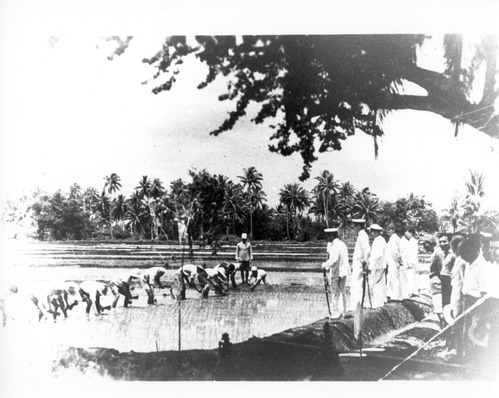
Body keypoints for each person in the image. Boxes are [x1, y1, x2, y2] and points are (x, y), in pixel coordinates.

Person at [321, 227, 350, 319]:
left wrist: (324, 265)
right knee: (341, 292)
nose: (327, 238)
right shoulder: (342, 244)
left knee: (335, 293)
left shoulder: (335, 246)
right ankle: (343, 312)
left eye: (328, 236)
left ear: (332, 235)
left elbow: (333, 260)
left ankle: (336, 313)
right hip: (343, 272)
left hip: (337, 273)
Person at [430, 233, 455, 327]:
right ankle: (444, 329)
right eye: (440, 242)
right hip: (440, 283)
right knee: (441, 308)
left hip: (451, 283)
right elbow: (433, 269)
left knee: (450, 307)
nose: (442, 243)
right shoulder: (437, 254)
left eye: (444, 241)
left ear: (449, 242)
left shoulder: (454, 254)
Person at [349, 218, 370, 311]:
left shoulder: (363, 236)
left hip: (359, 264)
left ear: (358, 226)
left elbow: (367, 250)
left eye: (354, 226)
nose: (354, 228)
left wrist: (364, 260)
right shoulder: (361, 235)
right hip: (358, 263)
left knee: (356, 284)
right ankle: (358, 303)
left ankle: (355, 305)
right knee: (357, 284)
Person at [368, 224, 387, 308]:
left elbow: (378, 254)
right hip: (380, 265)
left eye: (372, 231)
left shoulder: (378, 240)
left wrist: (371, 261)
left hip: (378, 265)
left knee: (377, 284)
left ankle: (378, 303)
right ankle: (381, 301)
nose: (371, 233)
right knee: (380, 283)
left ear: (375, 232)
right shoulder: (380, 239)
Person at [385, 223, 405, 301]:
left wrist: (397, 262)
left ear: (393, 230)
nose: (388, 231)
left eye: (390, 229)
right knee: (391, 278)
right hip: (392, 261)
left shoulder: (393, 238)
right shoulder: (394, 238)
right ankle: (392, 294)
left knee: (394, 279)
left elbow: (394, 252)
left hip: (393, 261)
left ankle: (396, 296)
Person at [402, 228, 419, 298]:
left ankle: (411, 292)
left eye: (407, 232)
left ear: (410, 233)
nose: (406, 234)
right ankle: (412, 291)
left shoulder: (413, 241)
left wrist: (411, 262)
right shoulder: (409, 241)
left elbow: (413, 253)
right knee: (411, 277)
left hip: (412, 261)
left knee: (411, 277)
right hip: (411, 261)